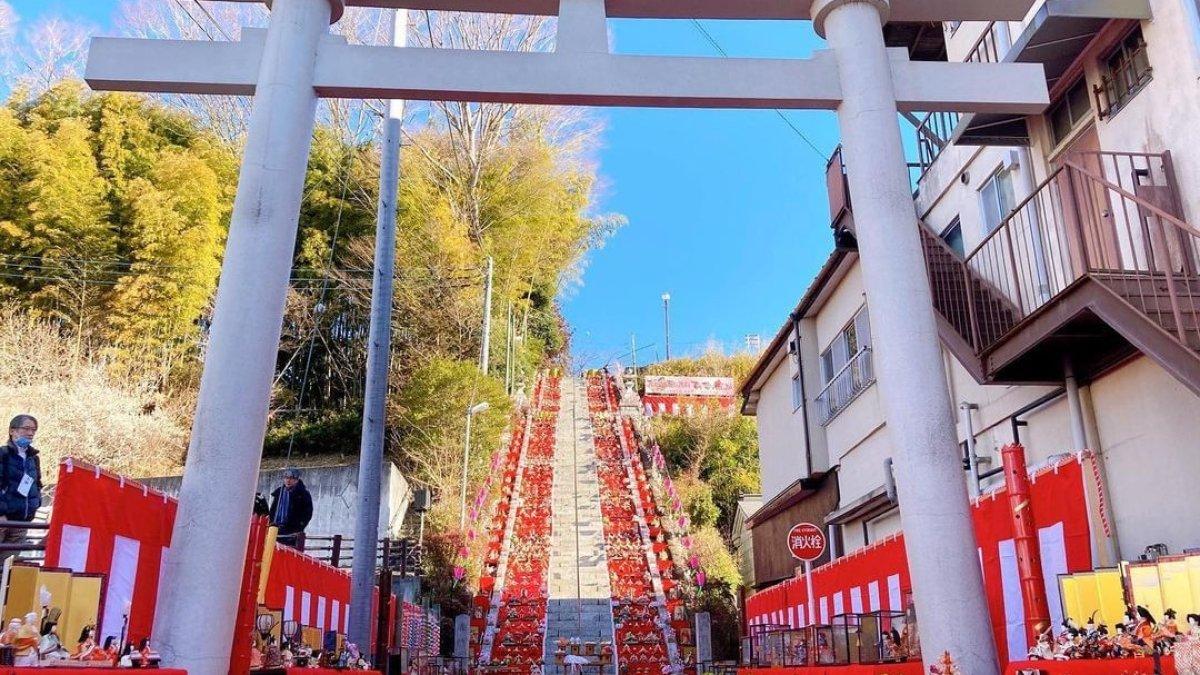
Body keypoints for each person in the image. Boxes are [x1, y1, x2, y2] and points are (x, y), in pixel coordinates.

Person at [1, 414, 43, 562]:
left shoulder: (33, 458)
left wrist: (34, 507)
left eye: (33, 430)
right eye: (26, 428)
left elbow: (37, 484)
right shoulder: (3, 455)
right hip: (3, 520)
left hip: (22, 522)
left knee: (7, 567)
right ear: (12, 430)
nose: (30, 433)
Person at [269, 468, 313, 549]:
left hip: (292, 531)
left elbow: (307, 513)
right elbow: (273, 510)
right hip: (276, 529)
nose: (288, 481)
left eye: (291, 478)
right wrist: (271, 523)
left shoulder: (303, 494)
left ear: (296, 480)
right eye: (286, 478)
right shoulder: (279, 492)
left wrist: (299, 527)